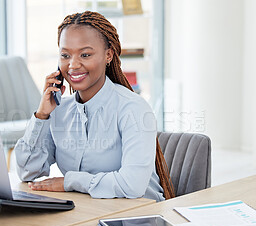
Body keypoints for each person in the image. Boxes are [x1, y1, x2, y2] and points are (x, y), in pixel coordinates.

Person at [15, 11, 174, 201]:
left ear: (108, 55)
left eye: (85, 54)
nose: (73, 65)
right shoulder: (59, 111)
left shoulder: (133, 109)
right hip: (85, 215)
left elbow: (132, 185)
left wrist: (70, 182)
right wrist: (41, 116)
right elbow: (27, 172)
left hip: (136, 218)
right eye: (65, 55)